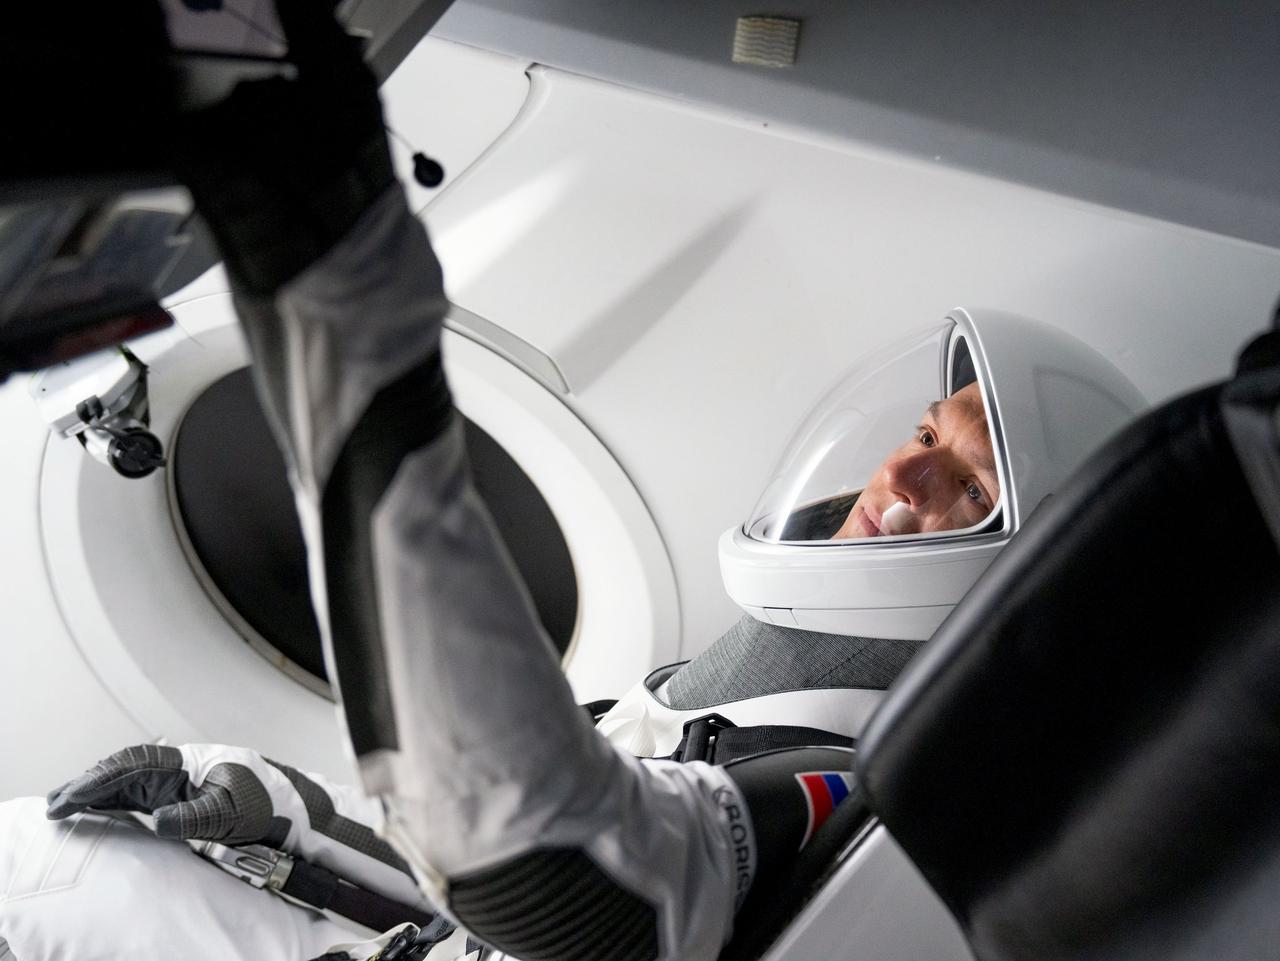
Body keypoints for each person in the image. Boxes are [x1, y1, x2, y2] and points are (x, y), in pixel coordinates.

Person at [11, 3, 1146, 959]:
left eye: (962, 473)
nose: (900, 465)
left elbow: (551, 885)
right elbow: (464, 885)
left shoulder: (851, 784)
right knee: (55, 856)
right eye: (918, 431)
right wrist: (263, 798)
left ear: (1017, 574)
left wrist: (344, 303)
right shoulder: (725, 712)